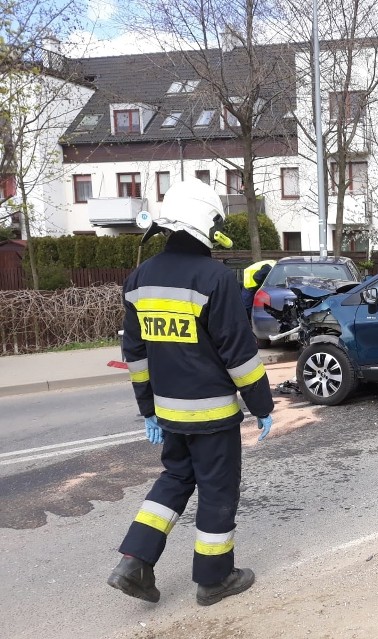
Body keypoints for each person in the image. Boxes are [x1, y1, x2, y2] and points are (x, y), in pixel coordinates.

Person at [107, 177, 275, 606]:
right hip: (213, 417)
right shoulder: (214, 278)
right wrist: (262, 404)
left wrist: (148, 410)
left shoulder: (138, 279)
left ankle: (133, 562)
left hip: (169, 414)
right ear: (206, 223)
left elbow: (136, 355)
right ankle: (215, 579)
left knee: (175, 479)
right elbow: (238, 355)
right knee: (217, 491)